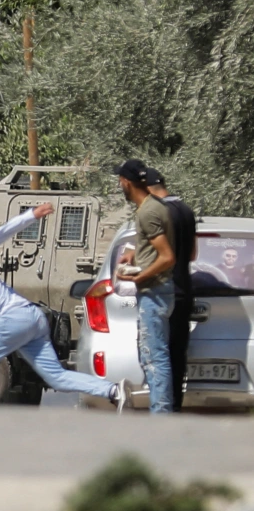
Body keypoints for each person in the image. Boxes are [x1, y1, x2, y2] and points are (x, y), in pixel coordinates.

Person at [0, 203, 132, 412]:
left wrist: (30, 216)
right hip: (32, 319)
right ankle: (114, 391)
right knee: (56, 377)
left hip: (11, 318)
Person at [115, 160, 176, 414]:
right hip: (160, 291)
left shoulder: (147, 212)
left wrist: (139, 278)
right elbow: (155, 249)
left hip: (154, 293)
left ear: (126, 182)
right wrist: (134, 256)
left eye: (120, 181)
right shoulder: (155, 206)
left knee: (154, 358)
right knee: (151, 355)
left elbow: (167, 257)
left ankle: (160, 416)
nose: (120, 185)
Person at [145, 168, 197, 412]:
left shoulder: (157, 213)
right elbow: (193, 253)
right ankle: (175, 407)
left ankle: (161, 410)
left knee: (158, 353)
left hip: (161, 291)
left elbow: (157, 255)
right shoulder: (186, 211)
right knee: (177, 354)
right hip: (184, 290)